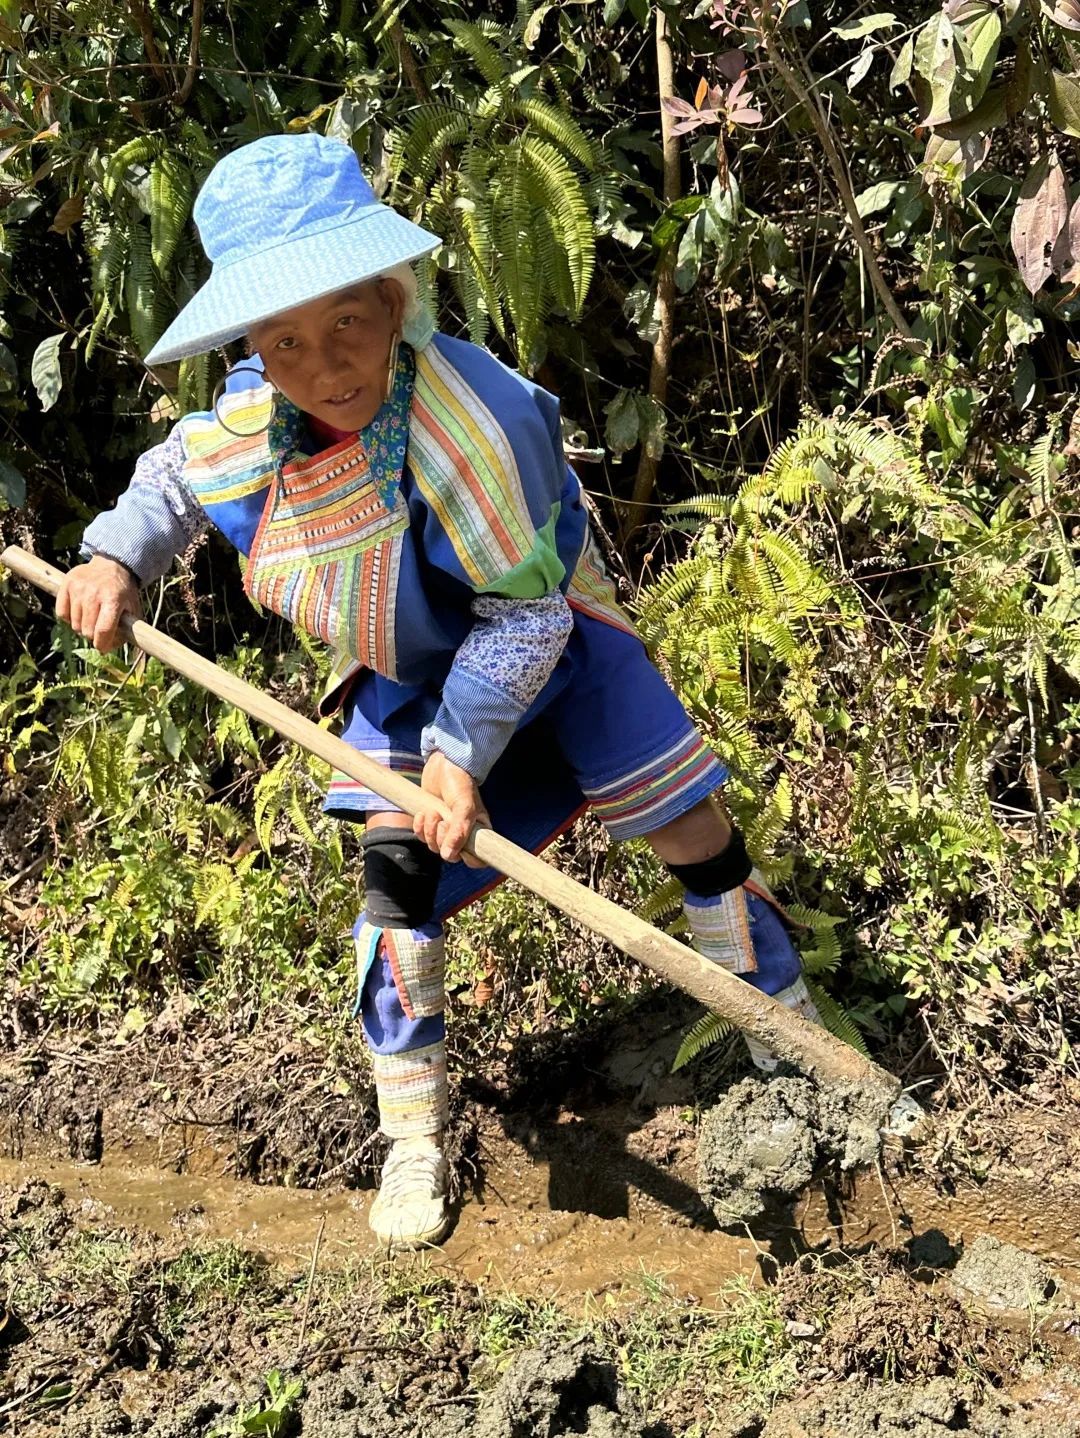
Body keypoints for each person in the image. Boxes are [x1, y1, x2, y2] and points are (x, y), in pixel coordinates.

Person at [58, 134, 821, 1249]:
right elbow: (174, 475)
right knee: (396, 882)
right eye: (286, 341)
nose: (325, 366)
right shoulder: (253, 421)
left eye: (346, 323)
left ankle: (784, 1028)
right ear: (253, 348)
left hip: (546, 629)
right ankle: (413, 1135)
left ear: (392, 298)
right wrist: (114, 559)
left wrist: (462, 758)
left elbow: (525, 613)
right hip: (413, 669)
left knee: (685, 822)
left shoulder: (476, 416)